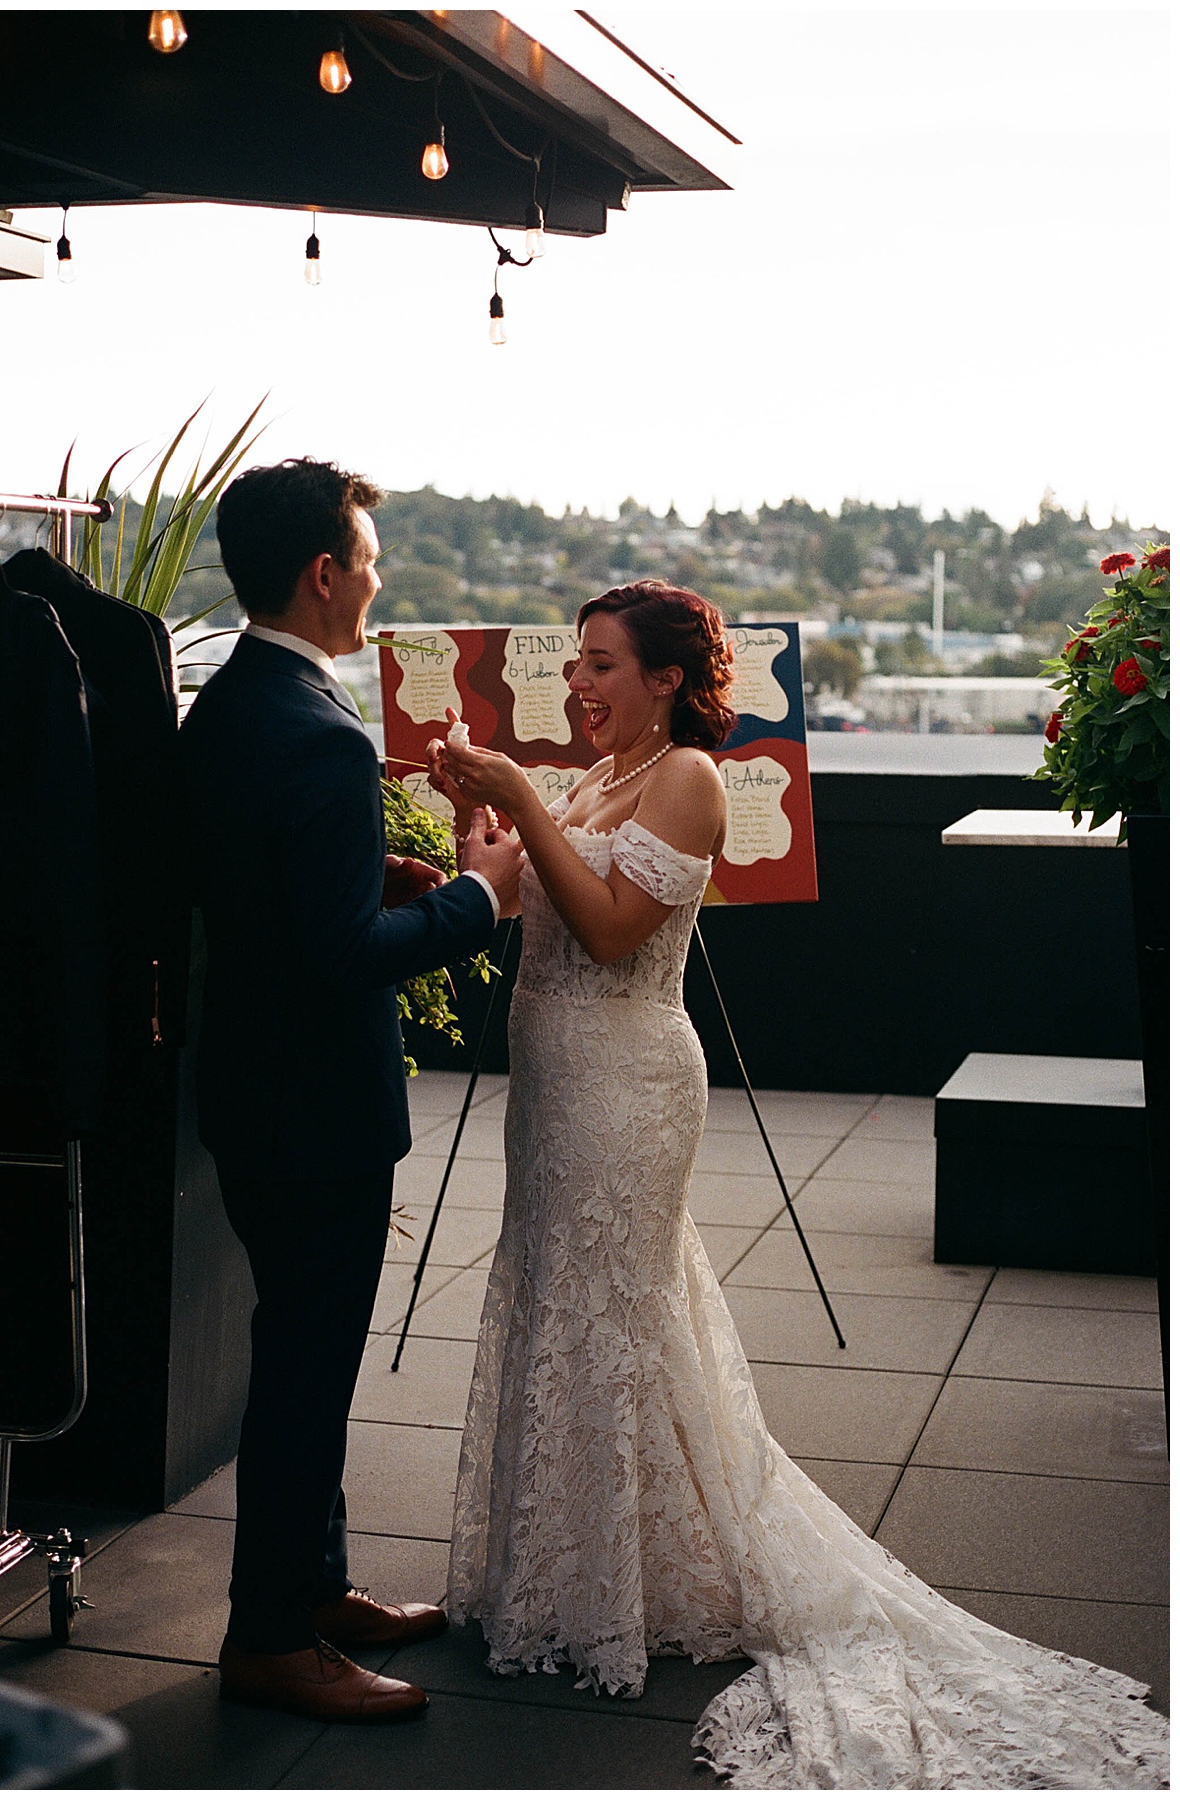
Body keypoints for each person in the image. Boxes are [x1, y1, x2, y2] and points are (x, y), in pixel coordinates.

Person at [428, 579, 1169, 1788]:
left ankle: (621, 1585)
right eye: (576, 665)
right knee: (560, 1298)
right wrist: (490, 848)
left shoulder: (691, 780)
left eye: (603, 665)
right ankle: (568, 1569)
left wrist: (522, 796)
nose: (579, 686)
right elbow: (543, 913)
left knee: (611, 1312)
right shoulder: (586, 781)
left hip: (627, 1081)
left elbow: (615, 931)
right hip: (553, 1075)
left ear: (667, 678)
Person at [179, 459, 523, 1725]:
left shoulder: (230, 705)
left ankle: (315, 1588)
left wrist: (377, 869)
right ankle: (271, 1636)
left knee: (298, 1353)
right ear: (324, 573)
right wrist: (476, 897)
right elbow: (338, 961)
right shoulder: (322, 738)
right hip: (316, 1113)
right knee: (305, 1373)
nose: (379, 581)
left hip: (252, 1092)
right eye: (369, 562)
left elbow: (266, 907)